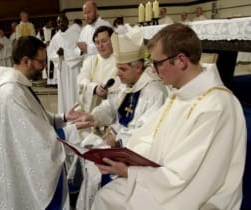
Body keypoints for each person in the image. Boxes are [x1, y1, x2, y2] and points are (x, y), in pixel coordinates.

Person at [91, 23, 247, 210]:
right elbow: (152, 137)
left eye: (157, 63)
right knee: (106, 196)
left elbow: (189, 178)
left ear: (180, 60)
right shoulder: (180, 93)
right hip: (163, 180)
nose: (153, 71)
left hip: (192, 195)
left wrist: (131, 172)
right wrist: (122, 154)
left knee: (107, 199)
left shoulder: (215, 106)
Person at [0, 36, 92, 210]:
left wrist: (63, 117)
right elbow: (36, 142)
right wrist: (72, 130)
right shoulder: (11, 93)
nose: (44, 67)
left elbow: (34, 119)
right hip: (17, 166)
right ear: (26, 61)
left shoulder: (18, 85)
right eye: (41, 62)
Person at [76, 26, 168, 210]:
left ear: (139, 68)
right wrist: (93, 116)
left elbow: (146, 134)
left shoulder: (154, 92)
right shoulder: (129, 83)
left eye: (122, 69)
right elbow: (111, 107)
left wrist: (118, 142)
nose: (117, 73)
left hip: (135, 156)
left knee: (98, 176)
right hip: (118, 145)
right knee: (90, 163)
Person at [77, 25, 118, 115]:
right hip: (93, 111)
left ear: (113, 40)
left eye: (104, 41)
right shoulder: (90, 61)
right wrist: (95, 88)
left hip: (114, 110)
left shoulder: (121, 61)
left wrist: (108, 94)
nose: (100, 45)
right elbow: (81, 80)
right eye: (97, 42)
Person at [48, 14, 82, 114]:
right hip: (62, 69)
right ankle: (66, 114)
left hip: (74, 69)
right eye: (58, 22)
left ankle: (77, 113)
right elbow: (50, 53)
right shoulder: (55, 38)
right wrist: (57, 55)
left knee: (74, 91)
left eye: (62, 21)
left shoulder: (76, 34)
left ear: (67, 22)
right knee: (64, 94)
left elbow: (81, 51)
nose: (60, 24)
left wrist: (66, 53)